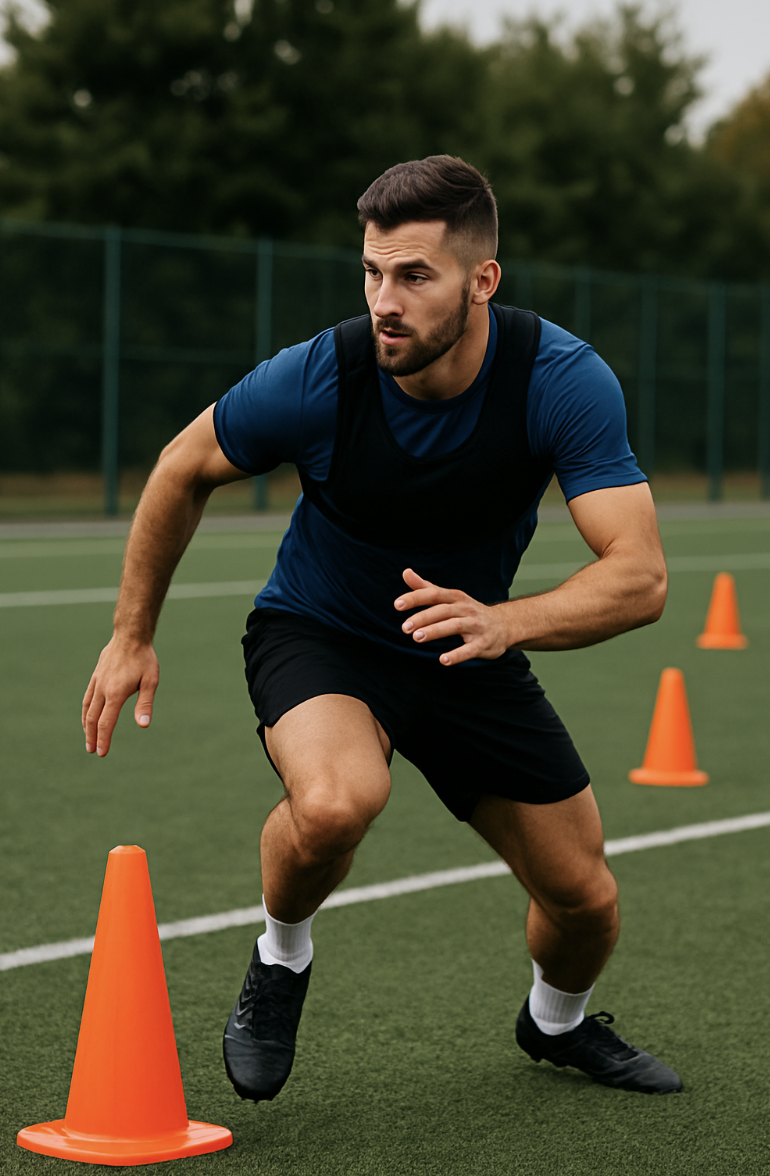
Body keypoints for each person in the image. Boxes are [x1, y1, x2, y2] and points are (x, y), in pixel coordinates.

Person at [82, 155, 680, 1103]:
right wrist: (130, 634)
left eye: (414, 275)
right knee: (335, 803)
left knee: (585, 901)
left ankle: (557, 1023)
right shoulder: (322, 374)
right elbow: (181, 466)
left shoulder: (559, 378)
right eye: (371, 272)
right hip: (323, 633)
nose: (383, 302)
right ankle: (281, 957)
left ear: (482, 280)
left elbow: (640, 576)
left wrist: (506, 622)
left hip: (468, 644)